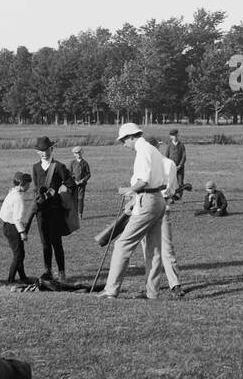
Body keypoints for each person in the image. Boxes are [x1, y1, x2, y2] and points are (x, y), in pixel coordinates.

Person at [99, 123, 167, 300]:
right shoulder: (153, 150)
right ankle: (152, 293)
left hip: (147, 200)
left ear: (131, 137)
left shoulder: (143, 150)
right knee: (154, 249)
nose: (123, 144)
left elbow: (142, 181)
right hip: (159, 199)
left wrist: (128, 190)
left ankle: (111, 290)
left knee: (122, 244)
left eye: (124, 140)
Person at [30, 136, 77, 291]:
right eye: (41, 151)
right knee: (45, 243)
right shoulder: (35, 168)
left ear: (52, 149)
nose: (44, 153)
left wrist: (60, 191)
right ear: (38, 152)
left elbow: (70, 184)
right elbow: (36, 187)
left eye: (47, 150)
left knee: (56, 242)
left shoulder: (59, 167)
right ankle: (48, 270)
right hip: (41, 211)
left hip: (55, 210)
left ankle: (61, 271)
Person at [144, 136, 185, 298]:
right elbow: (173, 190)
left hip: (154, 208)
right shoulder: (167, 164)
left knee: (160, 249)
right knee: (156, 250)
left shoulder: (166, 164)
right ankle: (156, 286)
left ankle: (172, 284)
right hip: (155, 207)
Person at [0, 172, 35, 286]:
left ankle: (23, 277)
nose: (29, 187)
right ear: (21, 184)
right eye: (28, 185)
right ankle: (10, 279)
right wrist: (22, 232)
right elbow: (17, 219)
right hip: (13, 228)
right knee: (18, 255)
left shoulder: (11, 193)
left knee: (20, 253)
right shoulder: (18, 198)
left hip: (6, 226)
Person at [69, 146, 91, 217]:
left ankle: (80, 214)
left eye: (79, 153)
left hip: (82, 185)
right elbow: (70, 173)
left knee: (80, 199)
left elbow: (88, 174)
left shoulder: (85, 163)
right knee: (74, 200)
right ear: (74, 154)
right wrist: (74, 181)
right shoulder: (72, 163)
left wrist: (83, 180)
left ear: (82, 153)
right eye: (76, 153)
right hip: (74, 185)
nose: (78, 154)